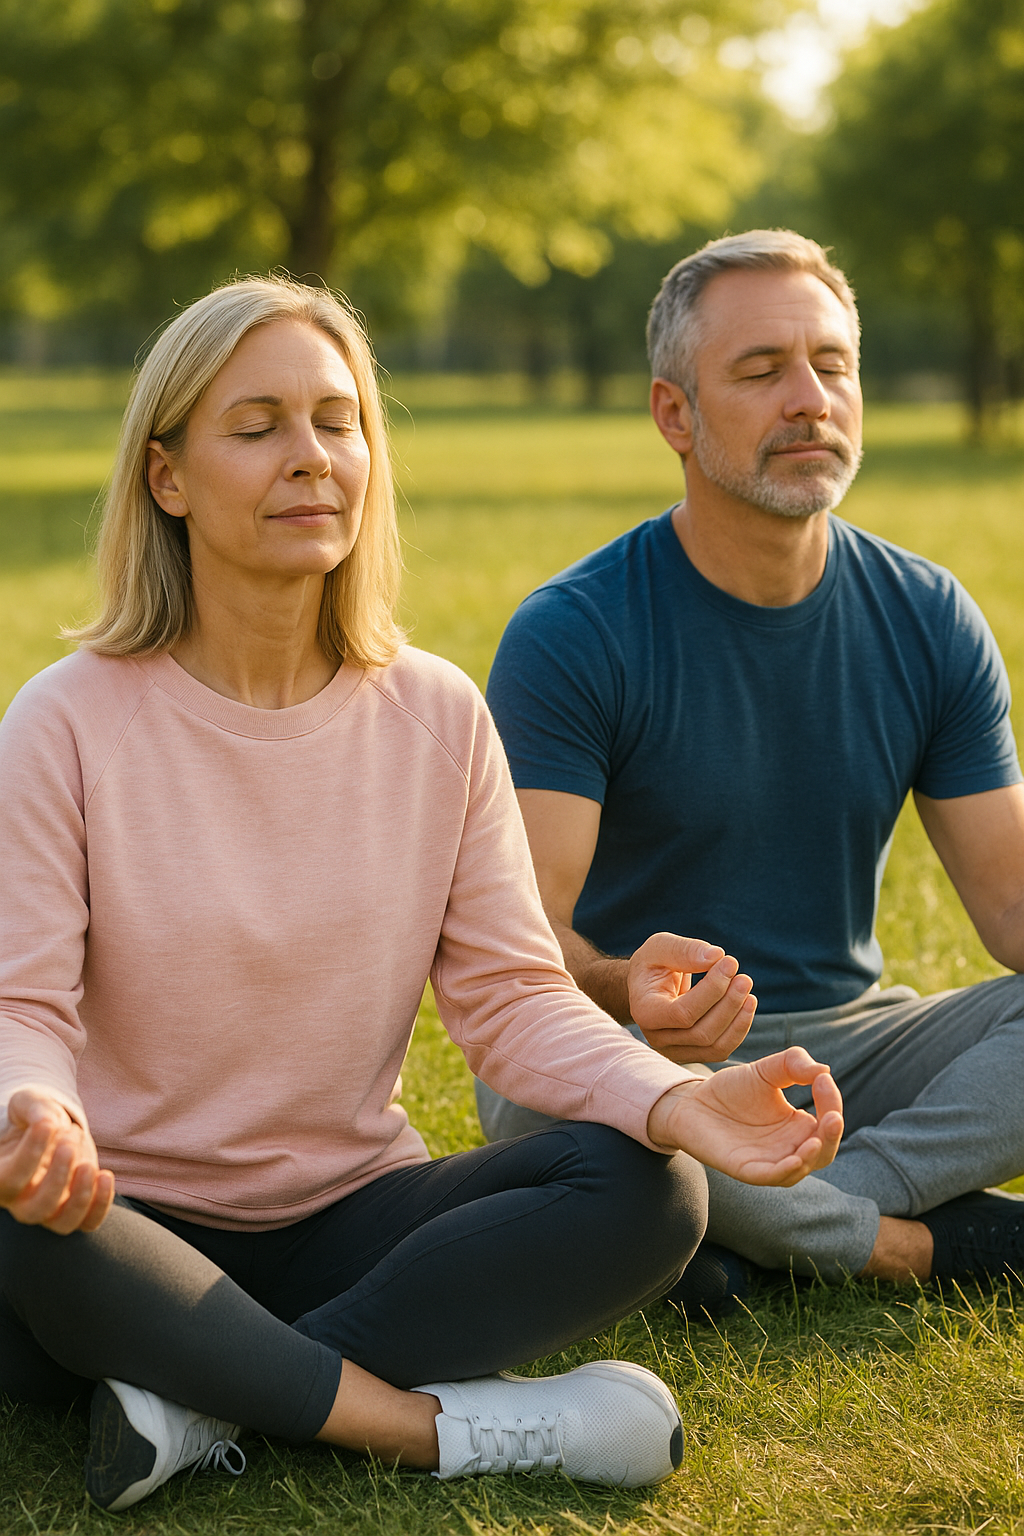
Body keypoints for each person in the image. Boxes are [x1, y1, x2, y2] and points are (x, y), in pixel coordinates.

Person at [0, 275, 845, 1513]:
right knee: (16, 1225)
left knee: (648, 1187)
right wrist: (37, 1115)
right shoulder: (64, 720)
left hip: (353, 1214)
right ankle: (424, 1427)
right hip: (121, 1224)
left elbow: (512, 1000)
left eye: (337, 423)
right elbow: (24, 1005)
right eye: (258, 427)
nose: (311, 459)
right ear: (167, 476)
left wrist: (677, 1101)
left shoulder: (437, 714)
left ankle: (197, 1389)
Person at [476, 229, 1024, 1307]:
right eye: (761, 369)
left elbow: (1009, 901)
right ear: (673, 414)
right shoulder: (574, 632)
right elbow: (522, 936)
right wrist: (623, 988)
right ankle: (917, 1248)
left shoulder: (926, 616)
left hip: (845, 1062)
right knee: (548, 1111)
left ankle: (779, 1229)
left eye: (831, 364)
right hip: (635, 1061)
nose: (809, 398)